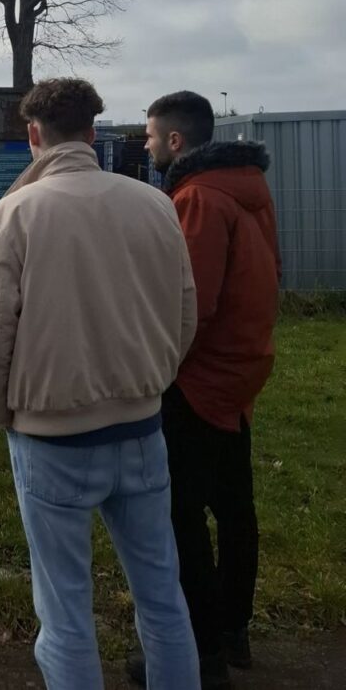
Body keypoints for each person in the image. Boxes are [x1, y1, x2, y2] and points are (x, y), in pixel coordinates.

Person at [0, 78, 200, 690]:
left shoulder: (12, 215)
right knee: (163, 598)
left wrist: (4, 413)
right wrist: (151, 383)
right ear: (93, 133)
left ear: (33, 136)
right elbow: (184, 316)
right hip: (143, 429)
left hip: (52, 441)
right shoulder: (155, 205)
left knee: (66, 613)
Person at [127, 91, 281, 689]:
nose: (143, 145)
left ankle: (200, 654)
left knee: (180, 516)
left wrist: (150, 363)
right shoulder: (249, 187)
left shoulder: (196, 198)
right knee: (235, 506)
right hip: (242, 371)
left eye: (148, 135)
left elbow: (189, 302)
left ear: (174, 141)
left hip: (197, 380)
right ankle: (234, 628)